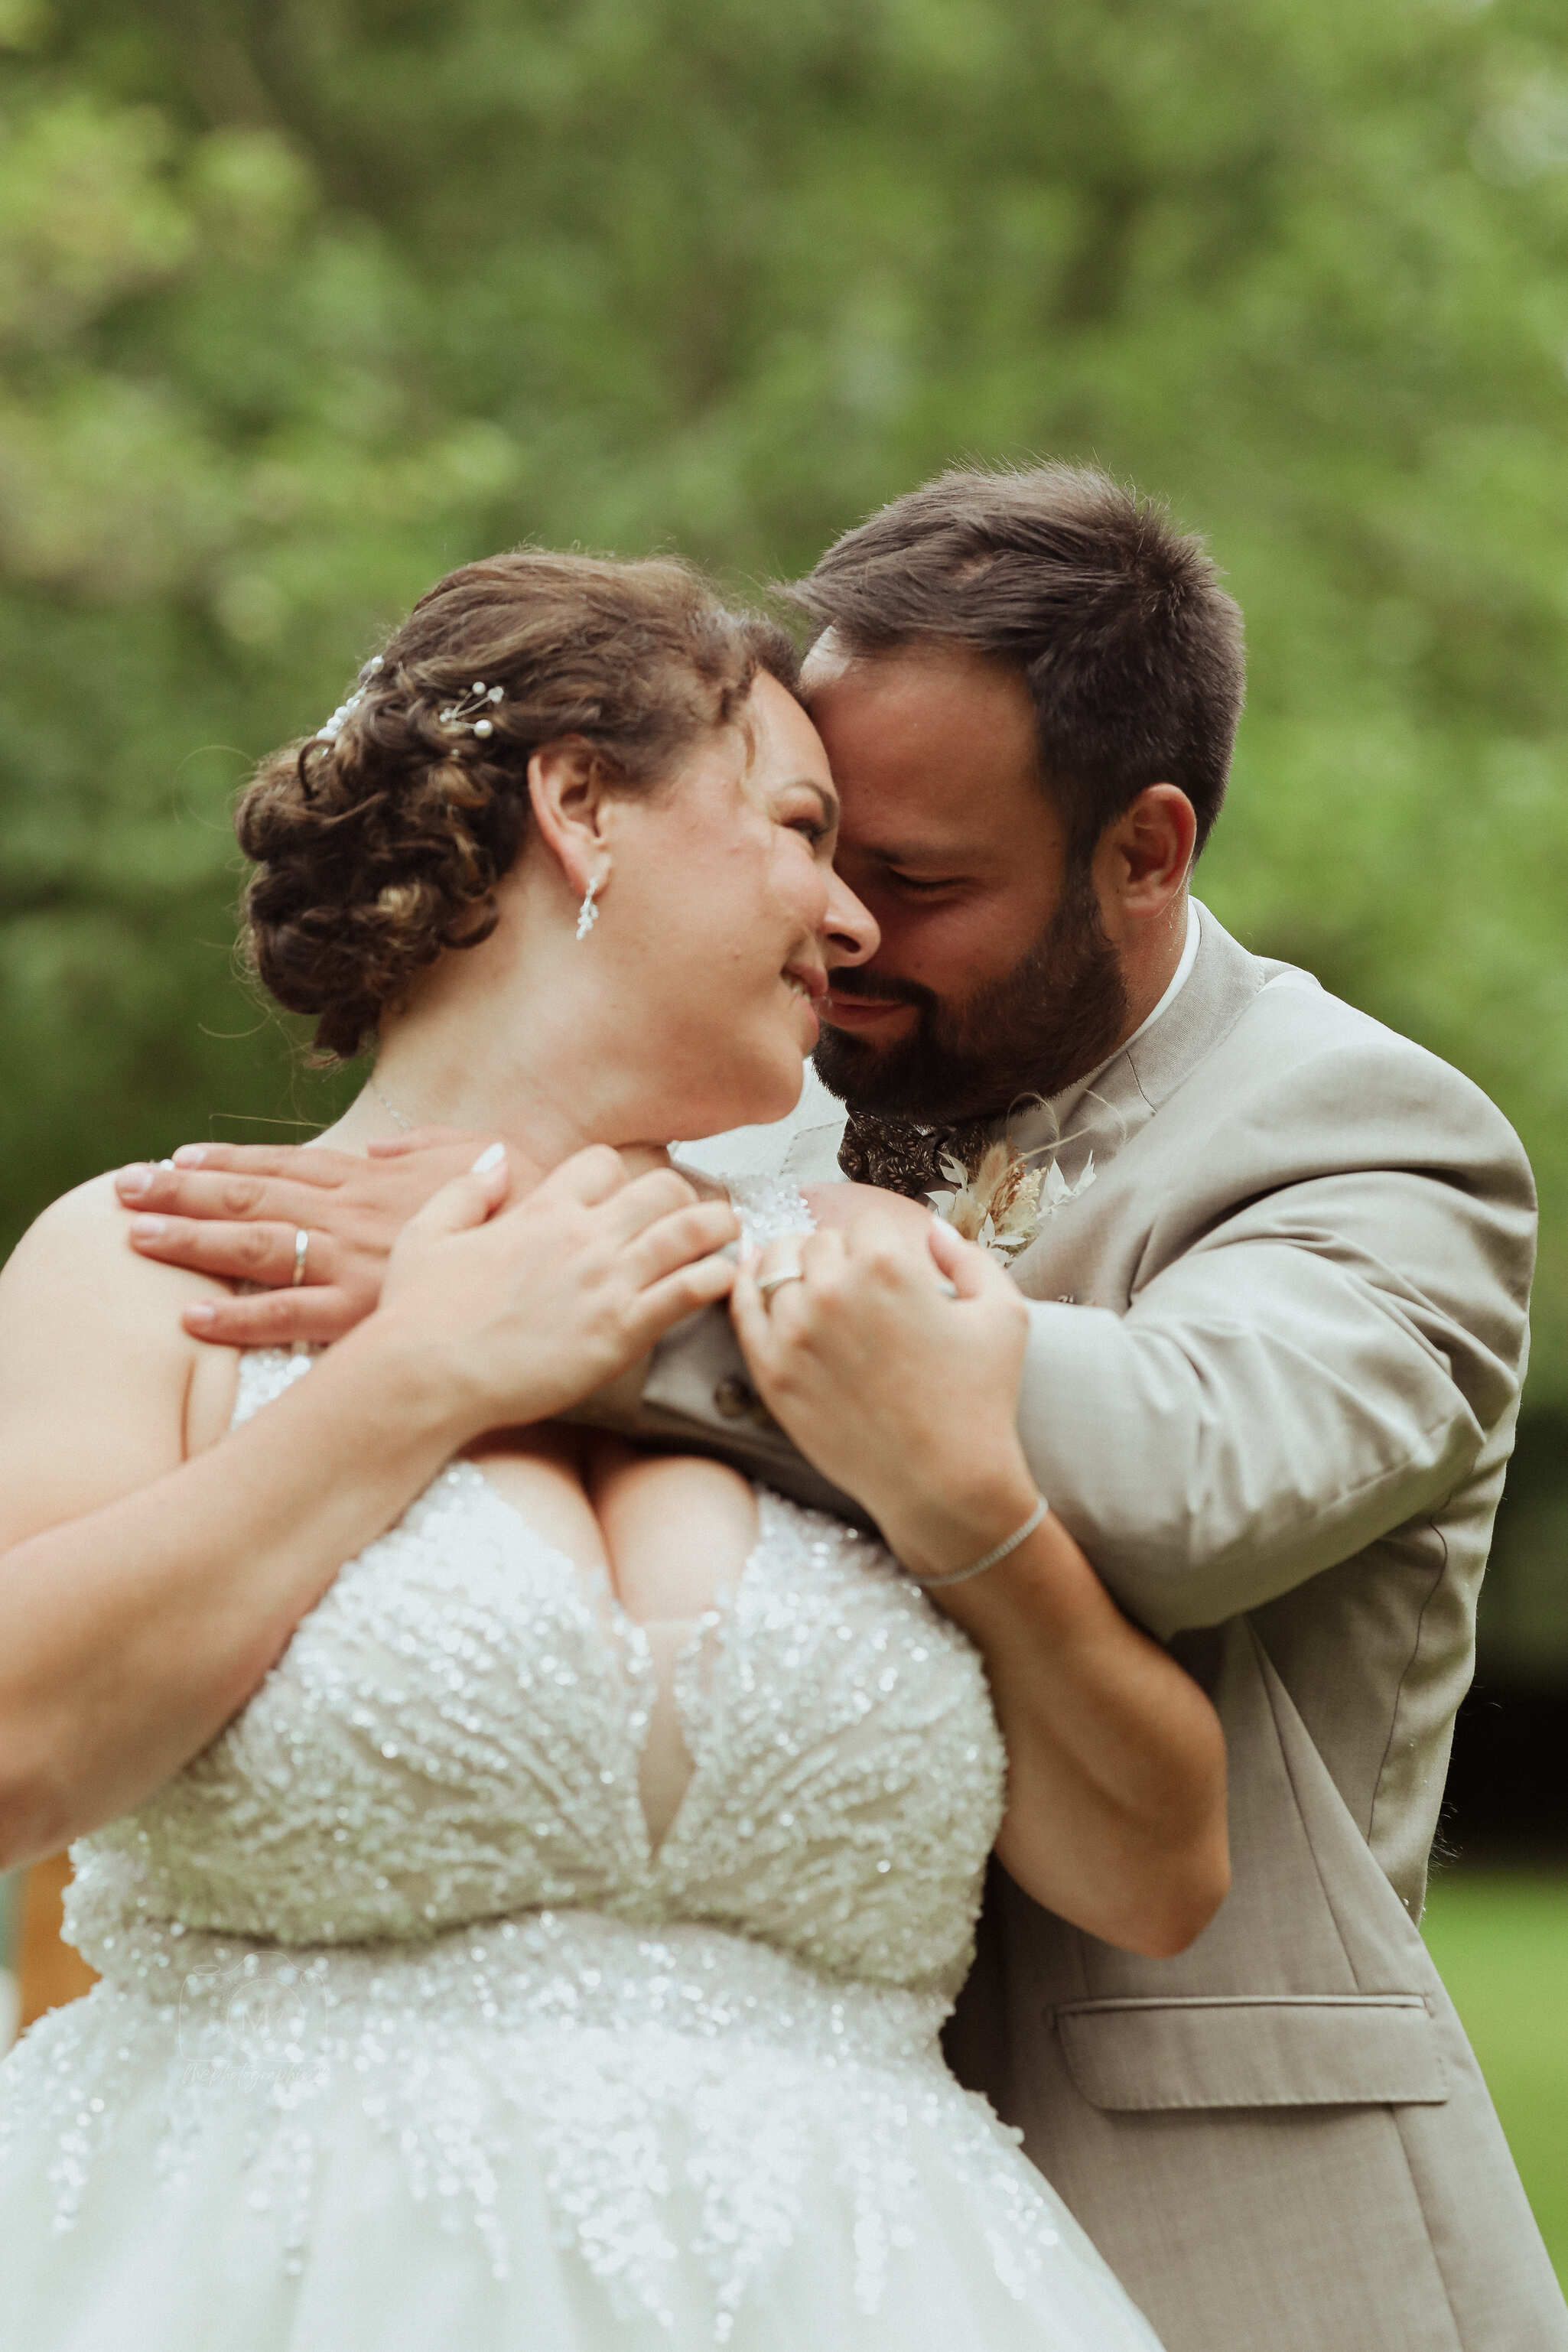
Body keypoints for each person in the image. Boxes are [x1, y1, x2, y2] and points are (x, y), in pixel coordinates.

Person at [145, 470, 1568, 2352]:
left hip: (1204, 2209)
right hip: (725, 2209)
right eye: (813, 846)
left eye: (914, 882)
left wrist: (602, 1298)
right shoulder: (756, 1092)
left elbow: (1187, 1471)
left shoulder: (1377, 1141)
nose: (836, 927)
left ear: (1144, 848)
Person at [0, 548, 1231, 2350]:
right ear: (579, 804)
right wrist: (407, 1377)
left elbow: (1153, 1872)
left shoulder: (876, 1284)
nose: (853, 920)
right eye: (799, 827)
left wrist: (962, 1501)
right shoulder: (158, 1253)